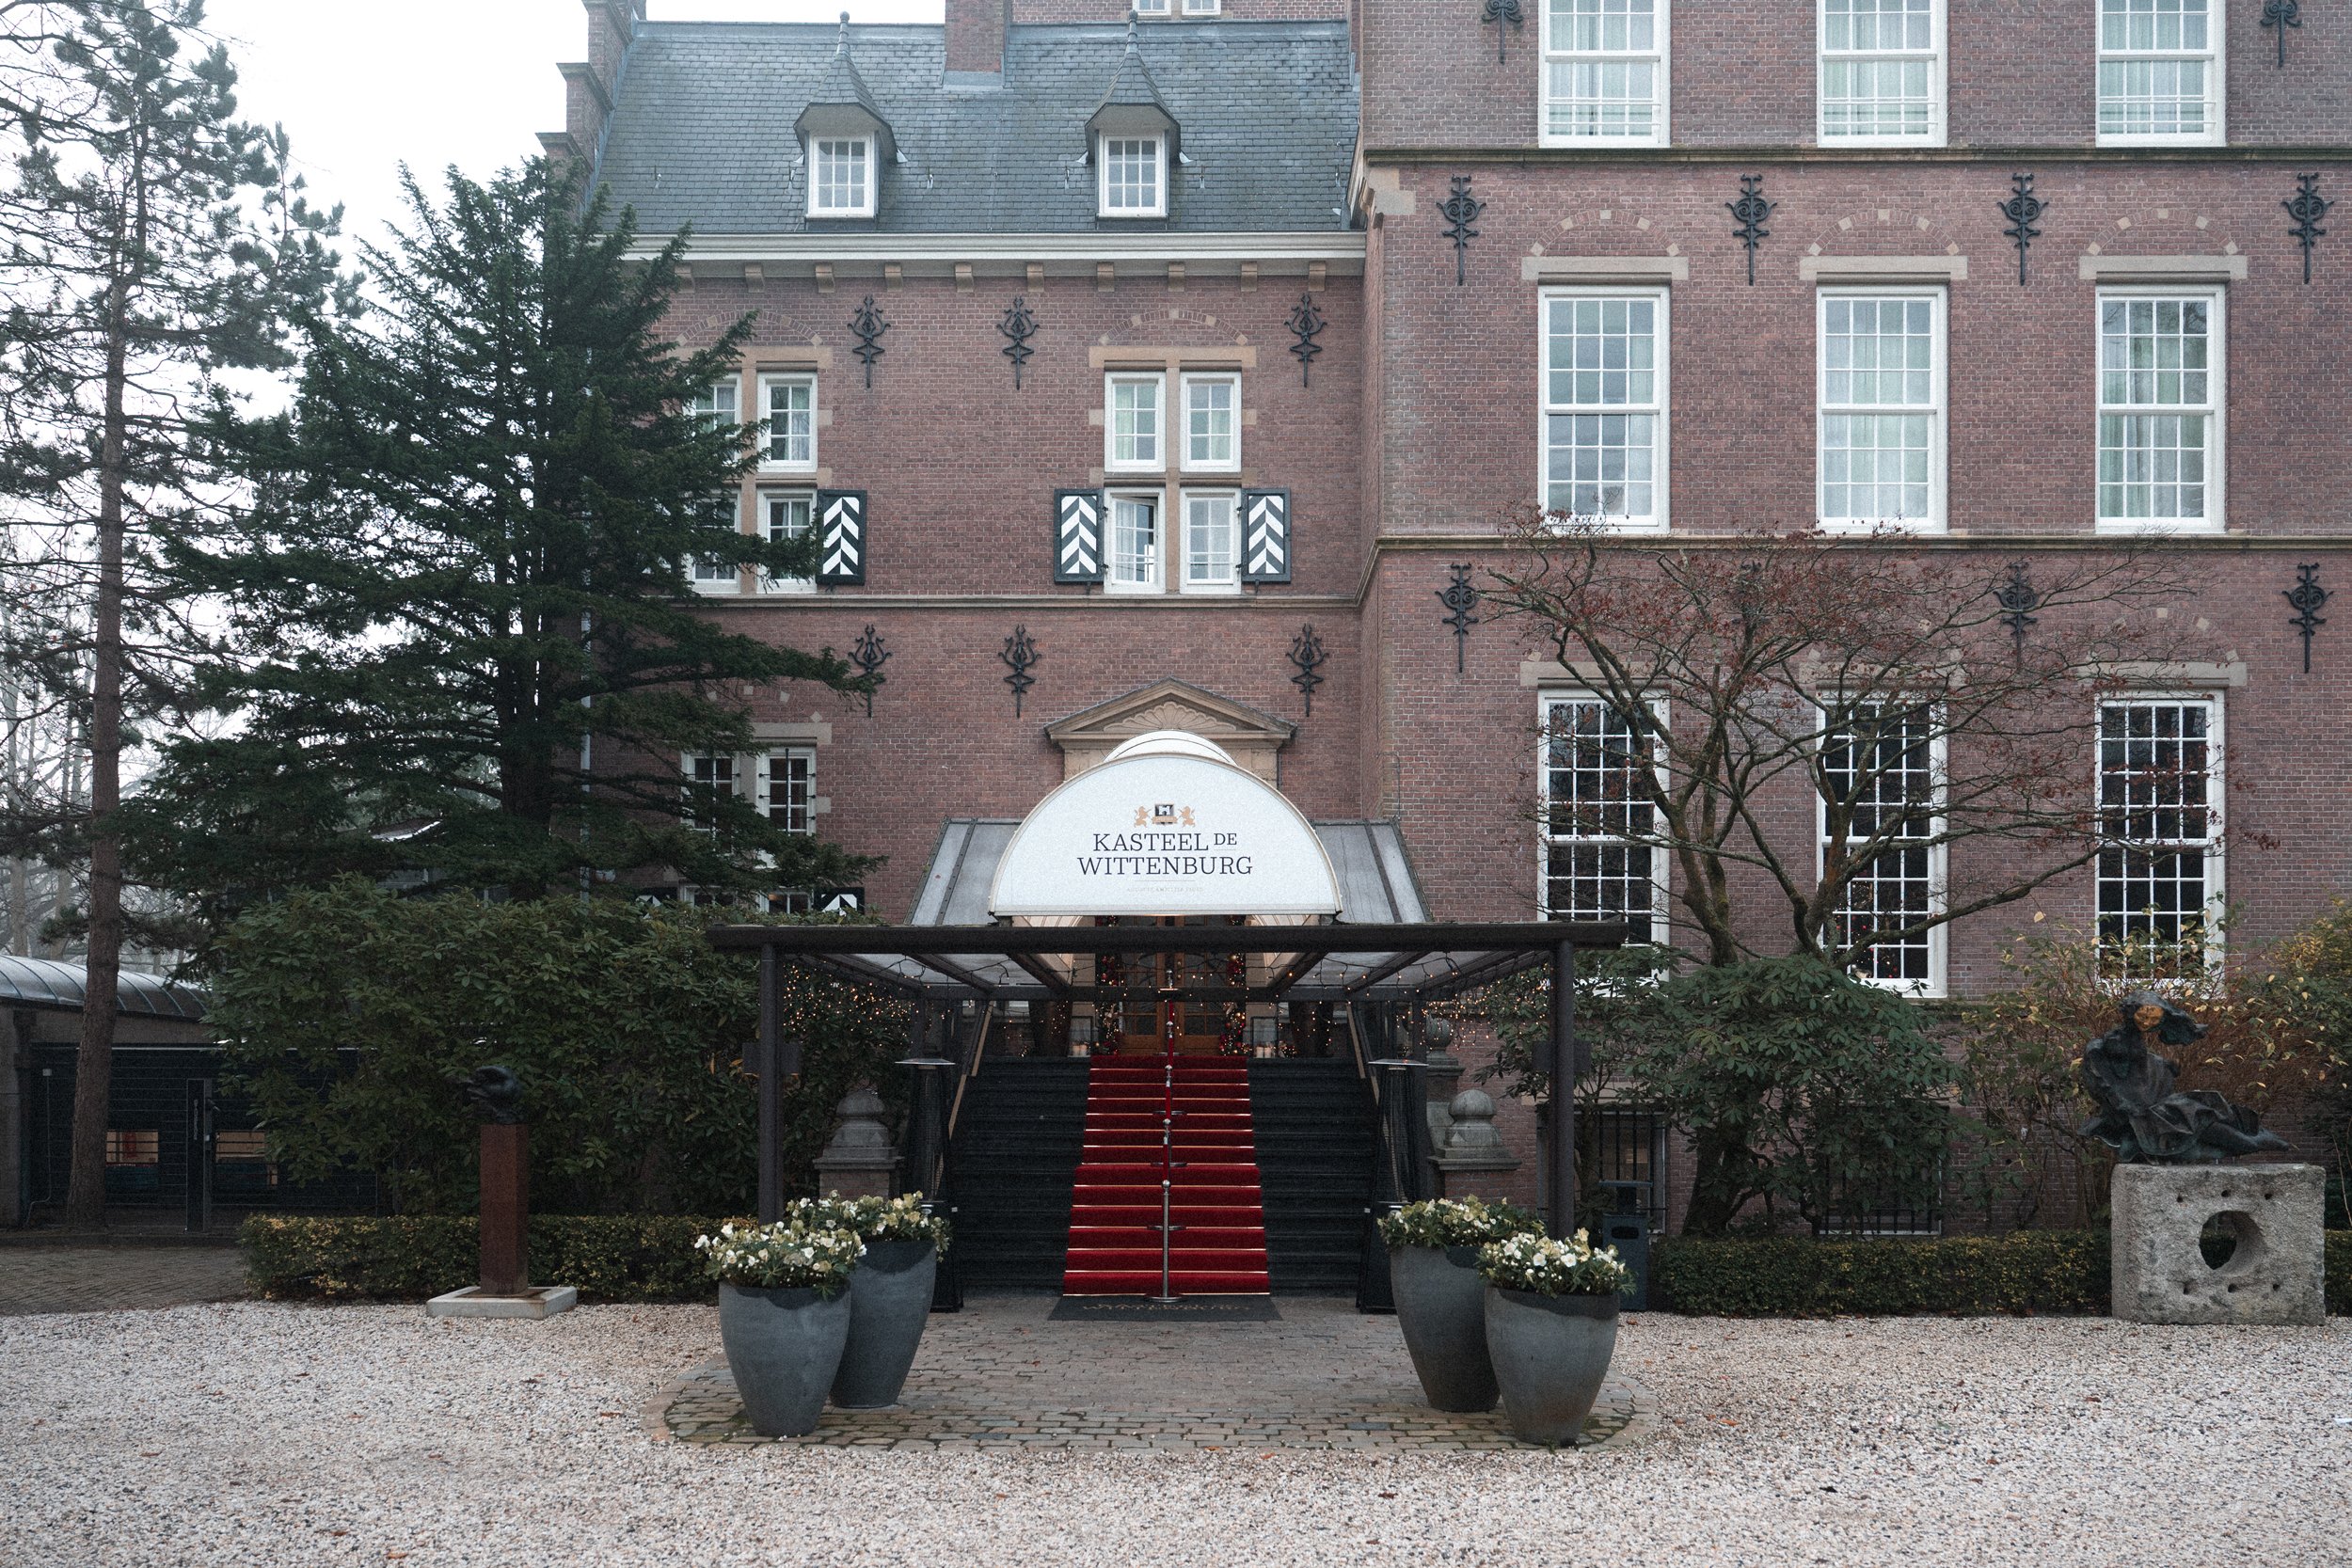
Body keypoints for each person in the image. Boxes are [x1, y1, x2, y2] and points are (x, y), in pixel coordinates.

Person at [2077, 994, 2289, 1164]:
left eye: (2154, 1020)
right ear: (2131, 1012)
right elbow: (2103, 1081)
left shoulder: (2133, 1042)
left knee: (2203, 1113)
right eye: (2143, 1016)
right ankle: (2255, 1142)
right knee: (2200, 1118)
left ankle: (2255, 1139)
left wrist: (2165, 1065)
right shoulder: (2107, 1045)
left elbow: (2141, 1065)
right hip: (2144, 1117)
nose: (2147, 1022)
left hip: (2150, 1110)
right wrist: (2123, 1105)